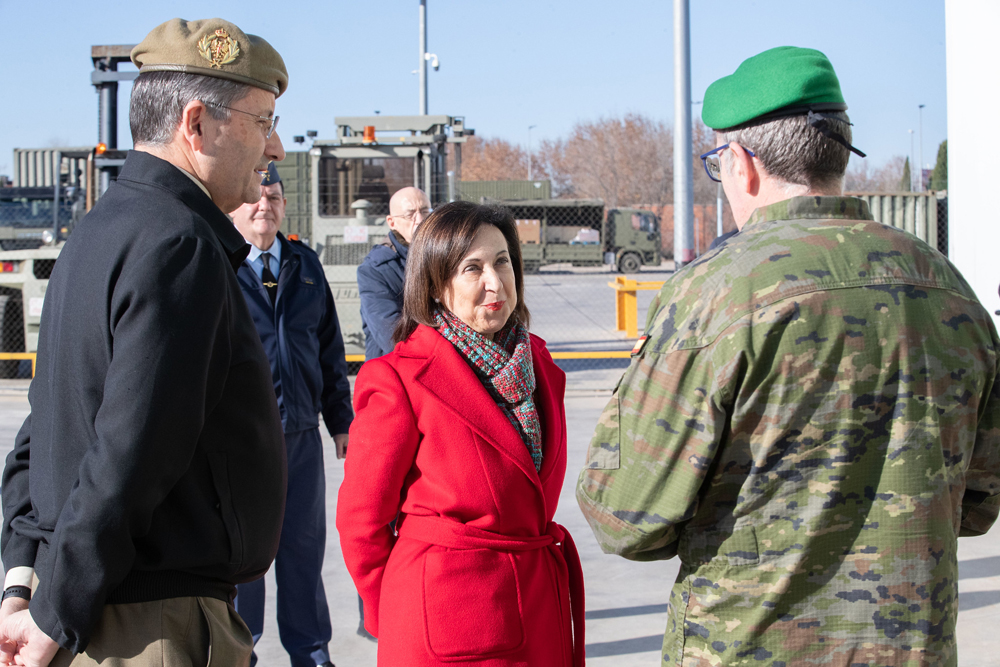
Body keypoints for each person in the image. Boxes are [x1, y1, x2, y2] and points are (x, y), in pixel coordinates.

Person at [577, 46, 1000, 666]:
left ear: (742, 164)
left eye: (716, 162)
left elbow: (625, 513)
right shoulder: (945, 286)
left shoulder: (716, 293)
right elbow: (978, 502)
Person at [0, 18, 289, 667]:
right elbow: (130, 450)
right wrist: (58, 610)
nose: (273, 145)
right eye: (262, 118)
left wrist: (25, 580)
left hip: (91, 610)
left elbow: (41, 429)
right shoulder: (181, 245)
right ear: (196, 124)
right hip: (150, 626)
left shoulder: (99, 232)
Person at [337, 201, 585, 666]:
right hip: (450, 625)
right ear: (434, 283)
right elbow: (360, 523)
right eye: (473, 268)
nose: (495, 282)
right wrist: (393, 609)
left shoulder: (541, 367)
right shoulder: (399, 380)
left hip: (539, 612)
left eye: (502, 262)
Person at [230, 163, 352, 667]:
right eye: (257, 198)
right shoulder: (219, 264)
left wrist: (340, 421)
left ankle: (312, 652)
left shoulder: (304, 264)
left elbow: (329, 348)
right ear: (237, 205)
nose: (266, 206)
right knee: (247, 560)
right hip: (242, 442)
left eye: (275, 197)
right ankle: (241, 651)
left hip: (301, 437)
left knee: (303, 553)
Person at [357, 186, 431, 360]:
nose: (419, 220)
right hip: (395, 371)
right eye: (409, 215)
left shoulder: (441, 255)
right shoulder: (375, 269)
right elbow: (392, 338)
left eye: (425, 211)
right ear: (392, 222)